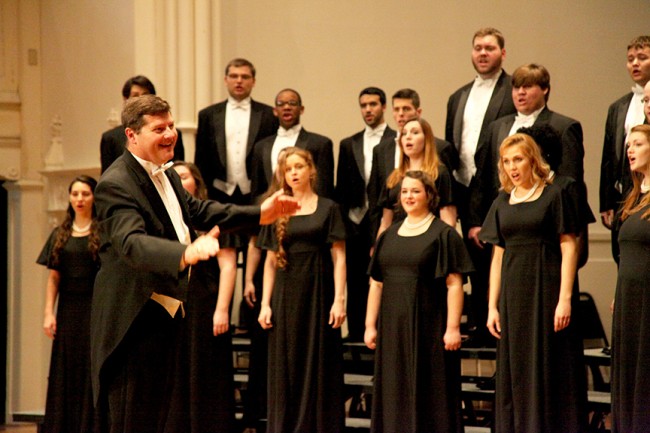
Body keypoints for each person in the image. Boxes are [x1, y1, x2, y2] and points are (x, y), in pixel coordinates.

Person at [90, 94, 298, 433]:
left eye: (171, 125)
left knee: (157, 419)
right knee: (133, 422)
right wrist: (184, 253)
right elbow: (131, 243)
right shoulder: (116, 184)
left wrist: (260, 213)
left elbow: (201, 211)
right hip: (132, 325)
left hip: (164, 316)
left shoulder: (168, 174)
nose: (170, 134)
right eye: (159, 129)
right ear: (132, 135)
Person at [480, 133, 587, 433]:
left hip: (545, 288)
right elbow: (497, 257)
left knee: (548, 363)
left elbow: (569, 247)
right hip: (513, 294)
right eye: (507, 161)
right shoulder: (502, 201)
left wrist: (565, 298)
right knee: (517, 367)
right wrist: (492, 305)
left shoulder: (554, 195)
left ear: (532, 160)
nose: (512, 167)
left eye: (518, 159)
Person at [364, 170, 472, 433]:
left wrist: (453, 328)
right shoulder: (388, 236)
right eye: (404, 191)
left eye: (415, 191)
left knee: (429, 393)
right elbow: (377, 283)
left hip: (429, 329)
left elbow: (455, 284)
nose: (409, 196)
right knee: (394, 391)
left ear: (429, 195)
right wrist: (369, 325)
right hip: (393, 331)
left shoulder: (444, 234)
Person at [258, 147, 347, 433]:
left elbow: (339, 257)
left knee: (318, 361)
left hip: (318, 292)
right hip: (285, 293)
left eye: (299, 167)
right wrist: (265, 304)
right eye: (288, 169)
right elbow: (270, 262)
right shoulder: (276, 208)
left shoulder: (328, 208)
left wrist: (339, 299)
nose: (294, 173)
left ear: (311, 170)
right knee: (286, 362)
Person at [445, 27, 516, 345]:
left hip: (499, 188)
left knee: (499, 265)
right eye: (477, 48)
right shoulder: (457, 96)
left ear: (503, 52)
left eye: (489, 48)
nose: (482, 53)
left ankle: (499, 327)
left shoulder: (514, 88)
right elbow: (451, 147)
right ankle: (478, 325)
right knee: (470, 264)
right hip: (462, 190)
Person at [470, 63, 585, 254]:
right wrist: (477, 220)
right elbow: (483, 176)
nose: (520, 93)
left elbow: (570, 182)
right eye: (516, 88)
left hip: (545, 226)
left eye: (528, 87)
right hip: (507, 223)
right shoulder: (496, 127)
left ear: (545, 89)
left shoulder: (564, 126)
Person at [172, 161, 239, 433]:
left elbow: (228, 266)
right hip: (175, 304)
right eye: (173, 179)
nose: (179, 182)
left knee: (206, 370)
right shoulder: (168, 218)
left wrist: (222, 309)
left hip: (206, 303)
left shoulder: (213, 217)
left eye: (184, 177)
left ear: (196, 183)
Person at [37, 175, 100, 433]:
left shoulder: (102, 231)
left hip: (94, 309)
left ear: (94, 197)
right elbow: (54, 278)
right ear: (69, 198)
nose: (80, 199)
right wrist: (48, 314)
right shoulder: (59, 233)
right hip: (67, 309)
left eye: (85, 193)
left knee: (89, 368)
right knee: (66, 368)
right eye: (75, 194)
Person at [335, 86, 396, 342]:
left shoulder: (396, 139)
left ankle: (382, 333)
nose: (368, 109)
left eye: (373, 104)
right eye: (363, 105)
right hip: (355, 222)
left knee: (382, 278)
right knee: (356, 277)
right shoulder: (349, 144)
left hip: (384, 219)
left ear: (383, 107)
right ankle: (356, 332)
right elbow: (342, 188)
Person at [368, 88, 456, 238]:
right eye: (404, 134)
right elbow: (385, 222)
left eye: (415, 133)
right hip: (397, 241)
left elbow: (448, 218)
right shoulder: (394, 177)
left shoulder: (438, 173)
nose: (408, 137)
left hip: (428, 240)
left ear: (426, 139)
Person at [194, 58, 278, 205]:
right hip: (218, 192)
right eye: (234, 76)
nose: (239, 81)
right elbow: (202, 158)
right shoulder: (208, 115)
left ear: (253, 81)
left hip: (257, 193)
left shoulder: (269, 115)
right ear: (226, 80)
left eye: (245, 77)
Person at [611, 124, 650, 433]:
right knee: (628, 371)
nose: (630, 150)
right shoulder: (634, 196)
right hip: (628, 297)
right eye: (628, 145)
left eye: (637, 143)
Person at [599, 36, 650, 263]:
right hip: (624, 193)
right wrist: (606, 201)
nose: (635, 64)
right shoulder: (618, 106)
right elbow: (609, 156)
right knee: (621, 253)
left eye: (642, 58)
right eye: (630, 59)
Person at [250, 88, 335, 200]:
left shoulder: (320, 144)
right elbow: (257, 191)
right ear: (275, 111)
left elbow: (324, 189)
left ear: (301, 109)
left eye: (292, 103)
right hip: (272, 211)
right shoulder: (261, 146)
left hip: (307, 210)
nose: (287, 107)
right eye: (281, 104)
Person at [100, 75, 184, 173]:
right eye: (135, 96)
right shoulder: (111, 137)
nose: (141, 99)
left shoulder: (172, 175)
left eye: (145, 94)